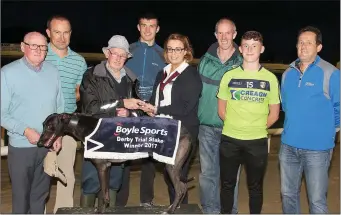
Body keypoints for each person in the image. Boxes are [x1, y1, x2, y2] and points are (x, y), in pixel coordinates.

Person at [1, 32, 64, 214]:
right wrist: (25, 130)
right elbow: (1, 113)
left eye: (43, 47)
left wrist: (58, 133)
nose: (39, 50)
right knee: (21, 199)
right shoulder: (7, 74)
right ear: (23, 47)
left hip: (46, 146)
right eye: (33, 45)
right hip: (21, 148)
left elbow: (59, 108)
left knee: (40, 196)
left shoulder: (53, 71)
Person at [217, 31, 280, 214]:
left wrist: (256, 128)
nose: (250, 49)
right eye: (246, 45)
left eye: (254, 45)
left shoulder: (270, 79)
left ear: (262, 49)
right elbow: (221, 110)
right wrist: (236, 126)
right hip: (230, 139)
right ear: (240, 49)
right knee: (227, 185)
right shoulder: (229, 76)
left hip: (257, 141)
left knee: (255, 187)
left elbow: (274, 113)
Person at [79, 35, 145, 207]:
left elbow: (138, 111)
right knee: (91, 182)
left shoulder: (131, 79)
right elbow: (89, 108)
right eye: (115, 53)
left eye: (122, 55)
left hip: (120, 138)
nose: (118, 58)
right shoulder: (91, 75)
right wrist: (120, 104)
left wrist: (130, 113)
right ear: (107, 53)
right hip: (96, 136)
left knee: (114, 182)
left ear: (127, 58)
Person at [279, 26, 340, 214]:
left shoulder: (331, 73)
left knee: (317, 201)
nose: (303, 46)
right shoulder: (288, 73)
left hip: (317, 150)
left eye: (309, 42)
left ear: (318, 47)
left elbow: (339, 108)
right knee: (288, 195)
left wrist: (328, 133)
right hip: (288, 146)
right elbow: (285, 106)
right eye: (300, 42)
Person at [140, 33, 202, 205]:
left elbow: (185, 107)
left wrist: (157, 109)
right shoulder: (163, 72)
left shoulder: (191, 75)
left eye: (178, 49)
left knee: (176, 175)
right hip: (163, 129)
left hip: (183, 132)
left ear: (186, 51)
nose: (173, 53)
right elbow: (155, 99)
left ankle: (181, 209)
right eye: (170, 49)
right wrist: (148, 107)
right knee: (170, 176)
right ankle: (176, 207)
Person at [116, 12, 166, 207]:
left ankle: (147, 200)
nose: (147, 29)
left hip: (151, 111)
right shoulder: (127, 50)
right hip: (128, 110)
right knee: (124, 157)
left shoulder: (164, 54)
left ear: (157, 29)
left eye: (151, 26)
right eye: (143, 25)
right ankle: (119, 202)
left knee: (150, 158)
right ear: (138, 27)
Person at [197, 18, 243, 214]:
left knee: (231, 175)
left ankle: (229, 211)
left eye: (228, 33)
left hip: (232, 129)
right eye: (220, 33)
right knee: (208, 174)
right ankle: (210, 211)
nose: (224, 37)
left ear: (234, 34)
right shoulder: (205, 61)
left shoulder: (243, 62)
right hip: (206, 127)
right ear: (216, 35)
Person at [44, 15, 88, 213]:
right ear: (48, 33)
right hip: (40, 124)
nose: (61, 37)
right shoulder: (40, 56)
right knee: (40, 175)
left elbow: (80, 93)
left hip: (68, 125)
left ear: (70, 34)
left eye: (66, 32)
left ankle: (63, 211)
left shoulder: (79, 61)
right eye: (57, 32)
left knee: (66, 175)